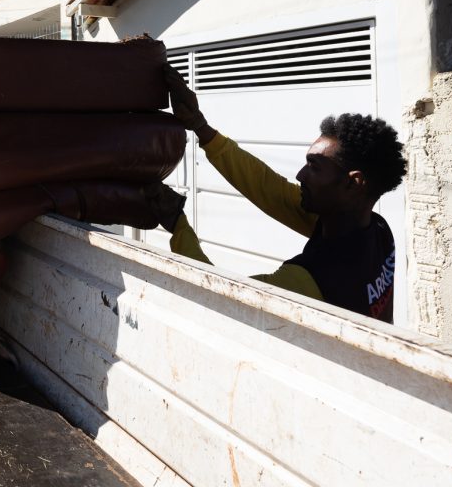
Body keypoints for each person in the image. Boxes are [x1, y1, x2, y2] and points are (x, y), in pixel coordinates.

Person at [162, 64, 406, 322]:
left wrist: (177, 224)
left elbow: (212, 298)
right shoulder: (377, 231)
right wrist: (201, 127)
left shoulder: (309, 281)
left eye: (314, 166)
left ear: (353, 182)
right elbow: (269, 188)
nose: (300, 175)